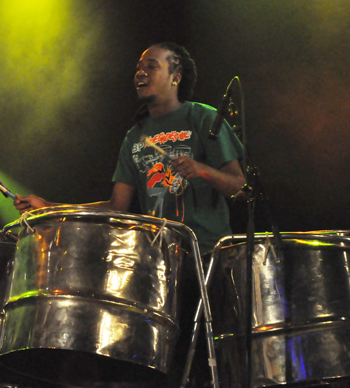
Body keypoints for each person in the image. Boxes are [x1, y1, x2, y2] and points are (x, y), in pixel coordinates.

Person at [14, 42, 245, 255]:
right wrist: (49, 208)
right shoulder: (135, 136)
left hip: (208, 256)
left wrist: (202, 170)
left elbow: (241, 187)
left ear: (175, 78)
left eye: (151, 67)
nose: (140, 73)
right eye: (139, 68)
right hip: (160, 258)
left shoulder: (203, 118)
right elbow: (116, 207)